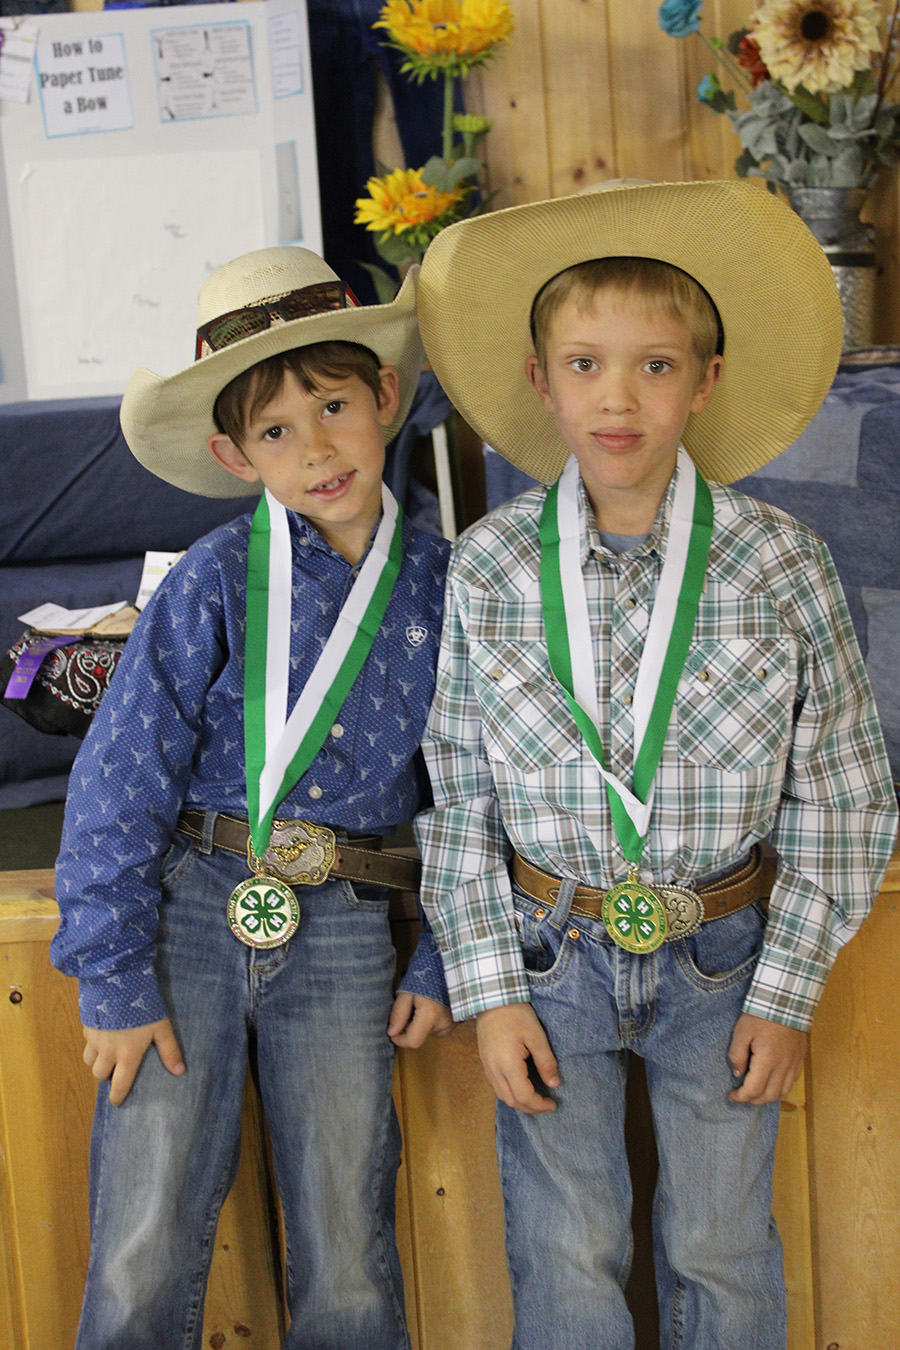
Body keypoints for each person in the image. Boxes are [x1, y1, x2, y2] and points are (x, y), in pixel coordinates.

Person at [412, 179, 899, 1349]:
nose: (616, 398)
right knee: (566, 1248)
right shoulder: (488, 568)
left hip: (725, 956)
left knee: (722, 1251)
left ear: (707, 380)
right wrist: (486, 989)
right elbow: (460, 792)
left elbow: (844, 792)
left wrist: (785, 995)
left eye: (655, 366)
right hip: (546, 953)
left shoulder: (780, 564)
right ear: (539, 382)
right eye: (583, 365)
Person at [50, 245, 453, 1350]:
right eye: (276, 429)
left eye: (332, 404)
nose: (315, 445)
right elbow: (119, 778)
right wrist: (113, 971)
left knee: (348, 1238)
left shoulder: (452, 585)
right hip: (187, 911)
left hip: (350, 931)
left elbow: (474, 795)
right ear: (235, 453)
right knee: (143, 1234)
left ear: (385, 398)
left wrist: (442, 954)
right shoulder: (214, 578)